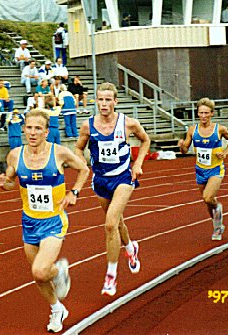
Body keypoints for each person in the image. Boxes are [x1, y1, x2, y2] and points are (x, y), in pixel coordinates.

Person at [0, 109, 89, 333]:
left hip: (53, 221)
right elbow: (10, 183)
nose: (33, 133)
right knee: (39, 277)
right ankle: (57, 309)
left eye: (38, 128)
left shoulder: (59, 153)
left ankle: (59, 271)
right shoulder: (15, 155)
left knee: (40, 270)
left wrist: (73, 192)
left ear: (47, 132)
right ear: (23, 129)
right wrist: (3, 183)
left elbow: (84, 169)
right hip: (29, 222)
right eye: (29, 128)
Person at [75, 82, 150, 297]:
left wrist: (138, 164)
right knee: (118, 223)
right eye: (100, 99)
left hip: (123, 177)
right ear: (96, 101)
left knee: (110, 224)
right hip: (100, 179)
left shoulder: (128, 123)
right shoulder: (88, 126)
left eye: (108, 99)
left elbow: (145, 140)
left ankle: (111, 275)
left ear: (115, 102)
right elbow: (78, 147)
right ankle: (130, 249)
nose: (104, 103)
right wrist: (82, 164)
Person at [178, 97, 228, 241]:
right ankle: (217, 226)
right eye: (200, 113)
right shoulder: (192, 130)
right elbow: (185, 150)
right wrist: (181, 146)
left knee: (208, 197)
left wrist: (225, 152)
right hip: (200, 170)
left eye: (206, 113)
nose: (203, 116)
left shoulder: (219, 129)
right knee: (207, 202)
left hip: (215, 169)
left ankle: (218, 208)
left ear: (212, 114)